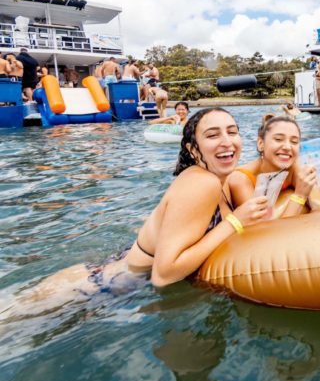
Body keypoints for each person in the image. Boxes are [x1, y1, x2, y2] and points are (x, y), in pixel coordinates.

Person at [5, 109, 270, 311]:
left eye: (232, 132)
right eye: (213, 135)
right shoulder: (203, 184)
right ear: (193, 149)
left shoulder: (220, 178)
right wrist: (234, 222)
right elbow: (164, 275)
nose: (227, 142)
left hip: (109, 277)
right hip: (90, 290)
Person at [227, 115, 317, 218]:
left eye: (294, 142)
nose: (287, 147)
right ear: (261, 144)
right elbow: (264, 229)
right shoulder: (240, 179)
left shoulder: (292, 168)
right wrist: (300, 196)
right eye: (278, 139)